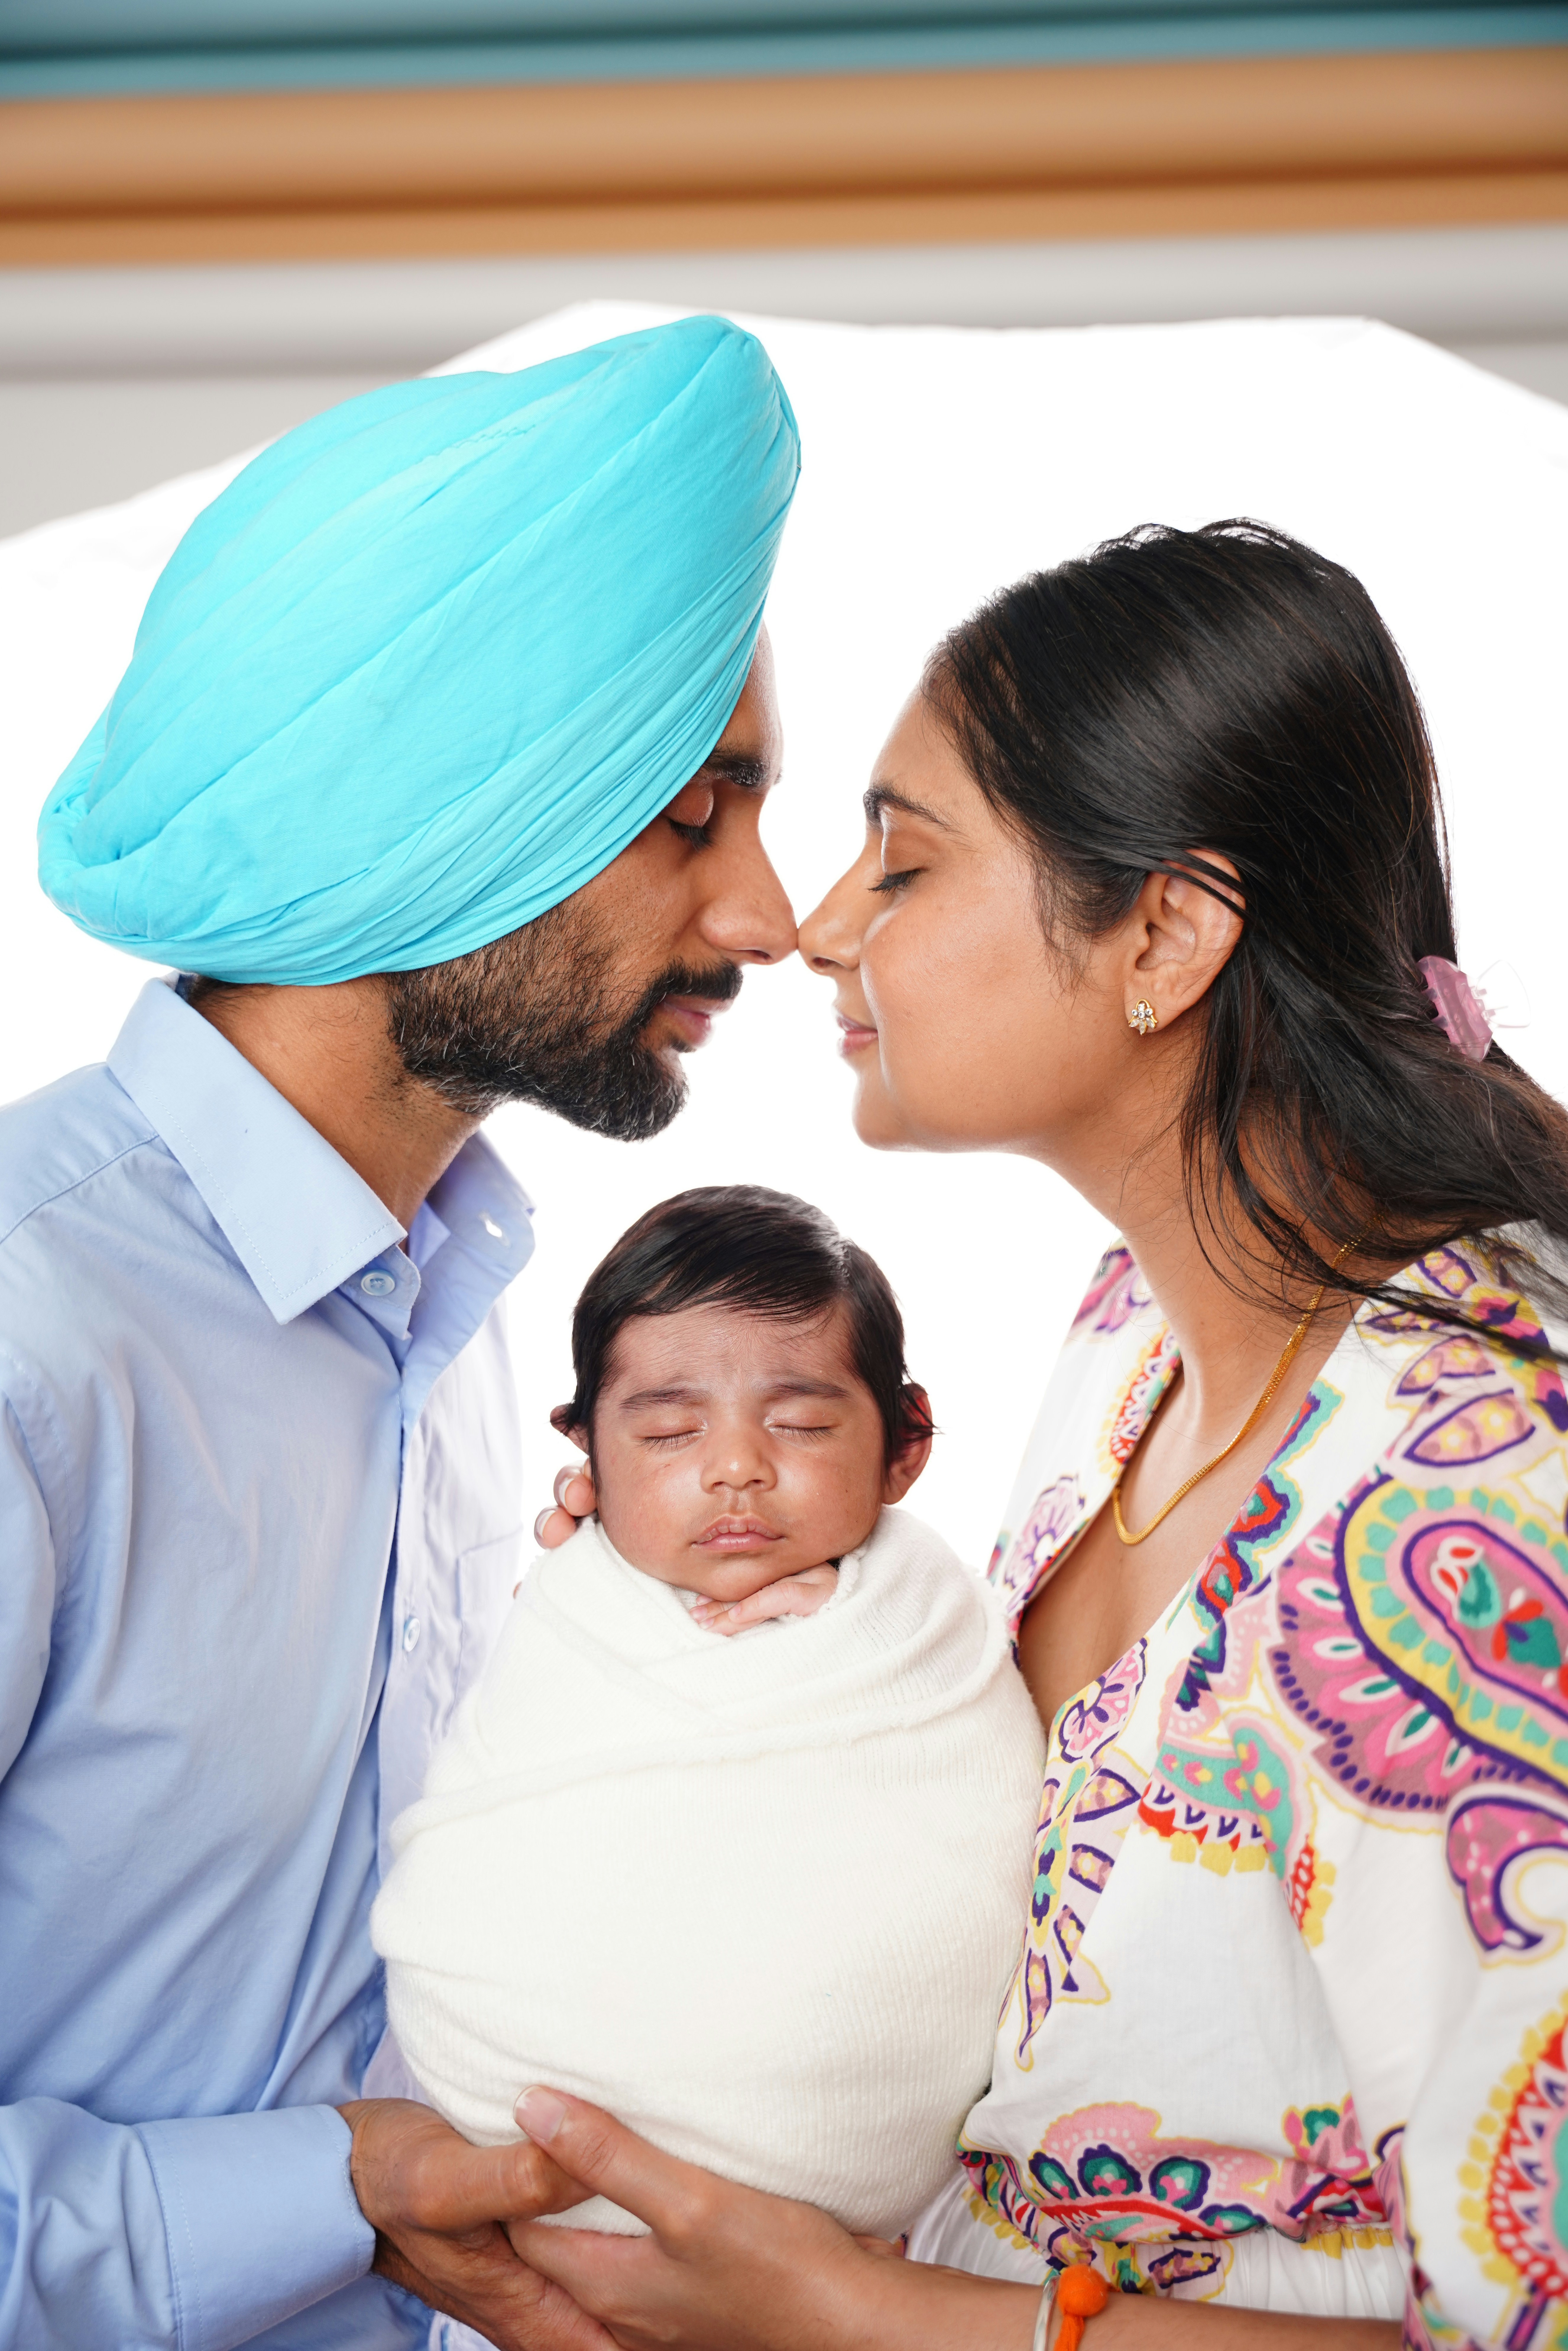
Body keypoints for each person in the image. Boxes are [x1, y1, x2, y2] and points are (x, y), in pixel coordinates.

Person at [517, 520, 1568, 2350]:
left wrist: (858, 2315)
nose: (820, 926)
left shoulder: (1470, 1515)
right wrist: (747, 1655)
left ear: (1162, 929)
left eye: (902, 864)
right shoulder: (1133, 1331)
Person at [1, 316, 799, 2350]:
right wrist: (331, 2186)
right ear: (449, 811)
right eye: (696, 812)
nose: (772, 912)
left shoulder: (453, 1315)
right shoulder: (34, 1336)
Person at [370, 1186, 1043, 2245]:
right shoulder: (570, 1603)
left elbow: (973, 1811)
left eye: (802, 1425)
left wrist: (857, 1633)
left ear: (905, 1446)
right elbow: (509, 1828)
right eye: (672, 1432)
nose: (736, 1466)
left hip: (838, 2189)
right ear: (587, 1453)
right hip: (518, 2154)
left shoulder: (927, 1616)